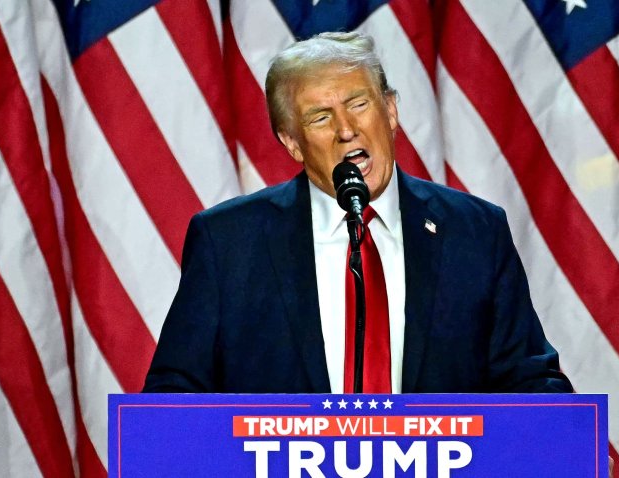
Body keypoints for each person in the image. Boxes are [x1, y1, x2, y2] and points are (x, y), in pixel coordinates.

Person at [142, 31, 573, 395]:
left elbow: (528, 376)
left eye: (359, 104)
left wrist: (571, 441)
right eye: (320, 117)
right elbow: (174, 393)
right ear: (292, 142)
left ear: (390, 111)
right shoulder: (229, 242)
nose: (346, 129)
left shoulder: (474, 230)